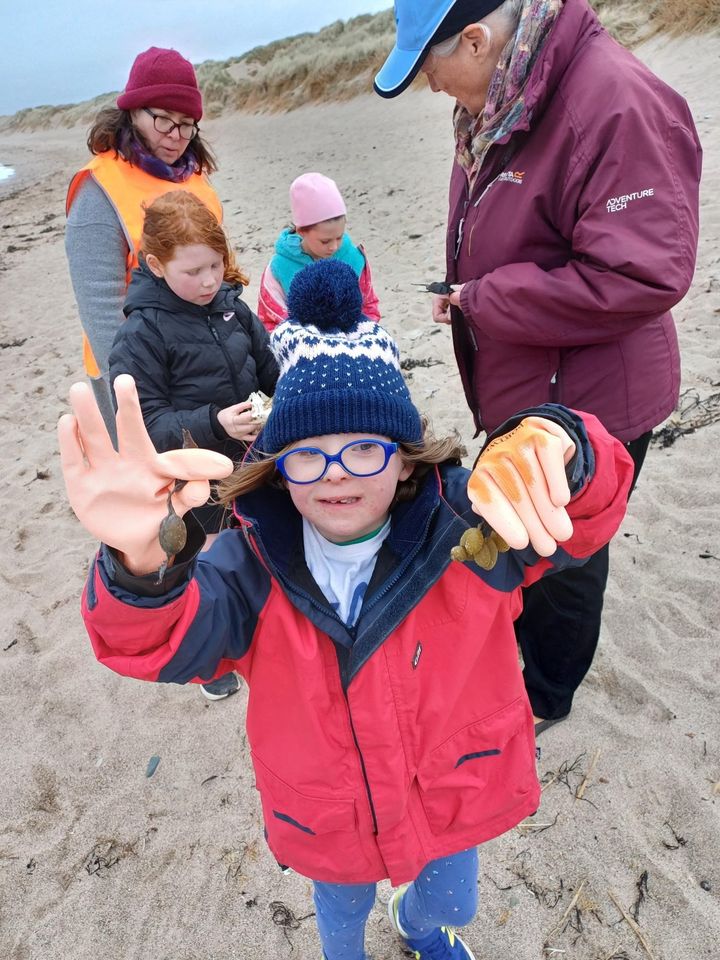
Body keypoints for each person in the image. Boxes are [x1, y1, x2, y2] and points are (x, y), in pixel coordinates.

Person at [59, 260, 634, 960]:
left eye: (363, 449)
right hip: (328, 817)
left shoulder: (473, 530)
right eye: (308, 454)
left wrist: (563, 445)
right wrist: (142, 567)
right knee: (340, 918)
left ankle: (419, 927)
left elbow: (587, 516)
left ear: (405, 458)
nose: (335, 473)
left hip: (455, 789)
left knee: (455, 902)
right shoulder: (248, 565)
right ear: (278, 468)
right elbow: (160, 643)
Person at [374, 0, 702, 731]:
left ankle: (548, 697)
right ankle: (527, 659)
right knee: (527, 540)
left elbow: (644, 273)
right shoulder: (502, 95)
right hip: (527, 378)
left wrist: (487, 299)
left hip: (594, 399)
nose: (431, 85)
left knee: (566, 553)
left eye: (430, 66)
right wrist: (466, 294)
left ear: (474, 38)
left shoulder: (612, 101)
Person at [108, 190, 279, 701]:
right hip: (194, 482)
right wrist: (215, 423)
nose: (208, 281)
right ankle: (213, 661)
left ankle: (268, 631)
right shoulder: (141, 333)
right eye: (193, 271)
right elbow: (143, 425)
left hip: (254, 460)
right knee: (209, 566)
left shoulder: (232, 308)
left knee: (264, 548)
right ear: (156, 266)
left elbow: (269, 372)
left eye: (216, 265)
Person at [66, 46, 221, 445]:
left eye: (186, 124)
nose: (176, 136)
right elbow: (100, 306)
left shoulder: (195, 177)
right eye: (163, 120)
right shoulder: (99, 188)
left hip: (206, 356)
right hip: (138, 367)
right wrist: (135, 385)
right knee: (151, 472)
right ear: (133, 111)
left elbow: (220, 268)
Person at [257, 172, 380, 331]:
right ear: (301, 231)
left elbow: (368, 306)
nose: (334, 247)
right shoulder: (279, 268)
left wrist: (359, 336)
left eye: (339, 237)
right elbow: (270, 320)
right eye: (325, 241)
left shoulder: (353, 258)